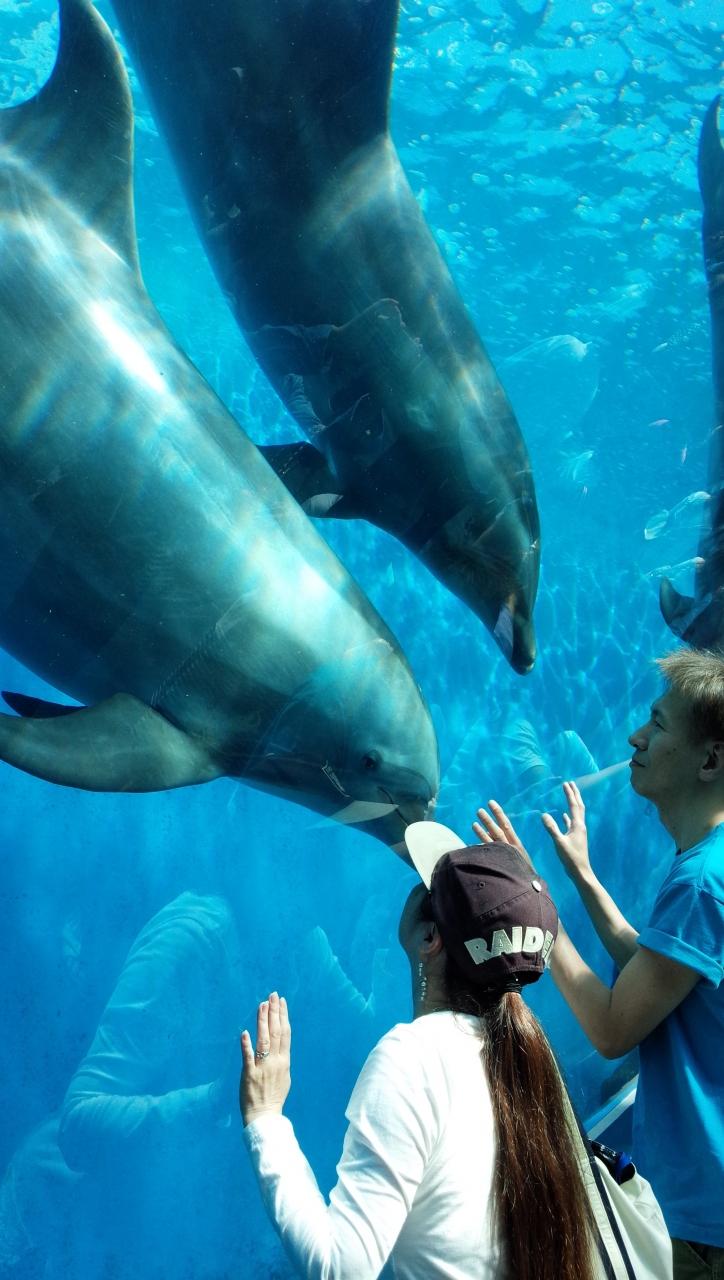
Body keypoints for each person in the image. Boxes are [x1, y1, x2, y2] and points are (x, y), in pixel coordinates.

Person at [239, 833, 609, 1280]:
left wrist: (265, 1118)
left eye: (430, 885)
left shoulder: (413, 1059)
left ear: (431, 938)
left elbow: (340, 1267)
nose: (416, 883)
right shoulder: (528, 1052)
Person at [474, 647, 724, 1279]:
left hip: (704, 1220)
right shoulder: (710, 862)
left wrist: (531, 900)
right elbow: (660, 972)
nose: (636, 736)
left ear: (710, 761)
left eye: (658, 724)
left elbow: (613, 1030)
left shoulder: (701, 883)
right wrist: (583, 877)